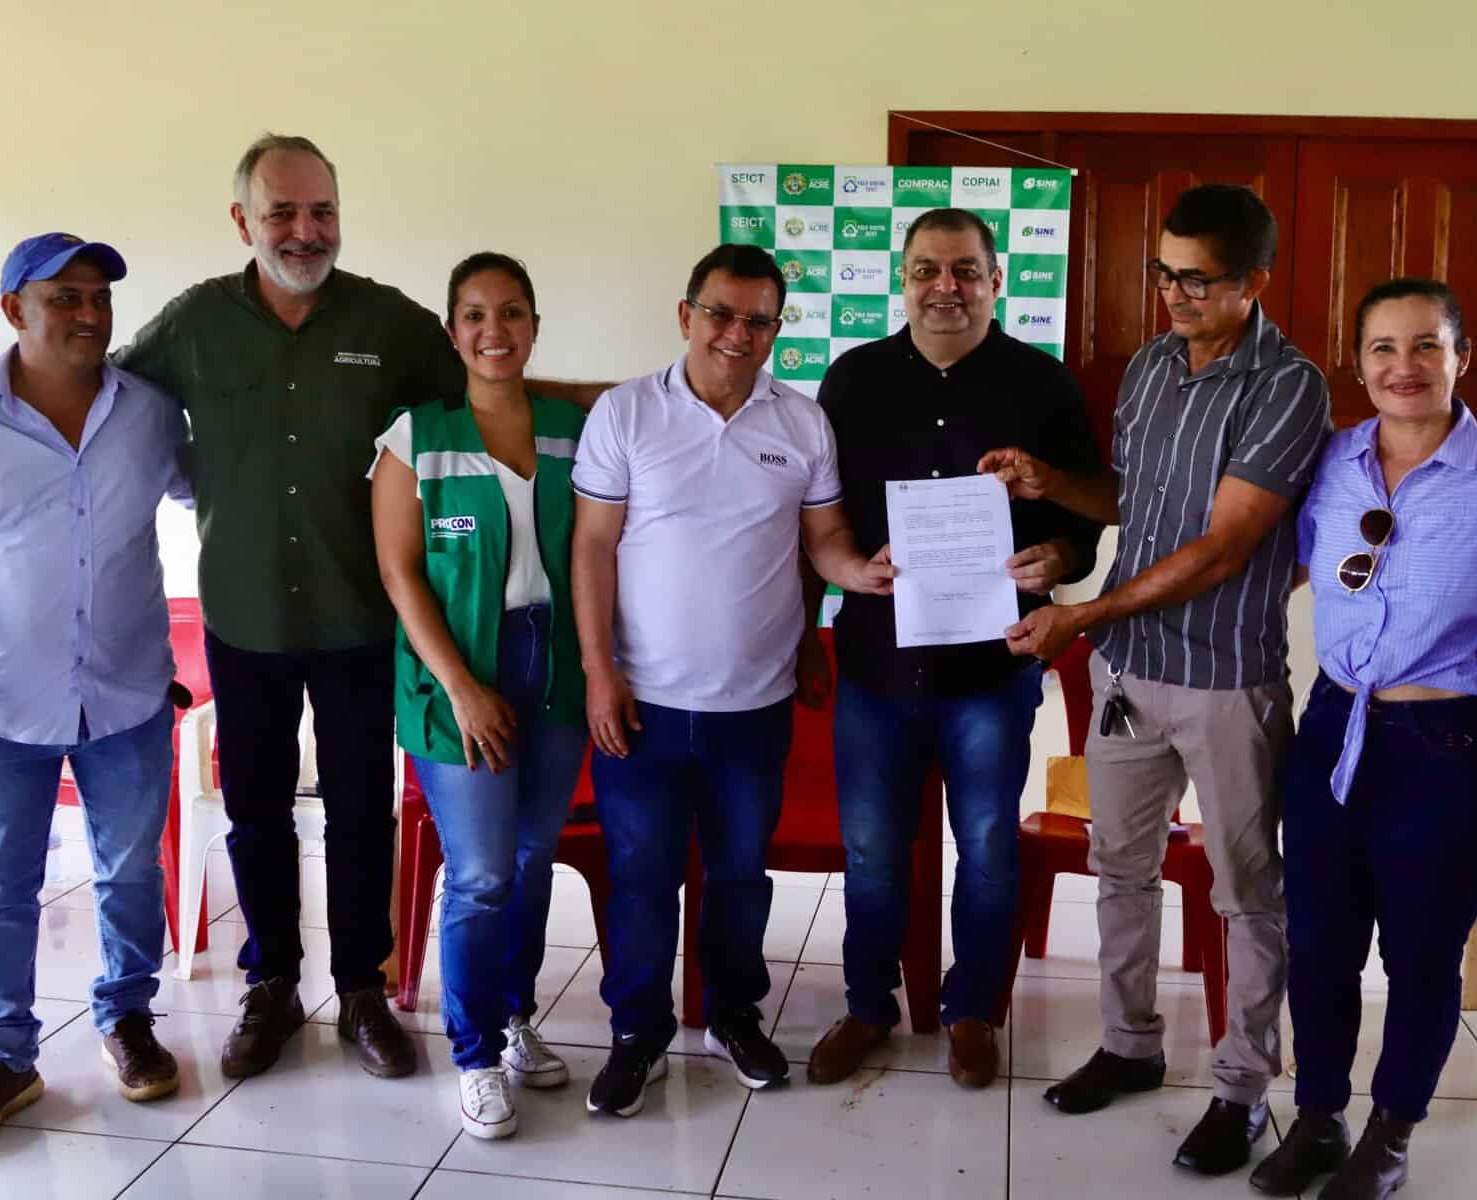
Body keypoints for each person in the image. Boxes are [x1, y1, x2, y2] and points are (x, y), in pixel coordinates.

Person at [111, 133, 606, 1081]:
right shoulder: (193, 324)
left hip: (356, 618)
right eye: (283, 213)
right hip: (244, 615)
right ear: (242, 221)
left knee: (359, 813)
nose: (306, 231)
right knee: (255, 812)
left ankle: (364, 990)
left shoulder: (389, 322)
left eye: (322, 211)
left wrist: (638, 398)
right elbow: (108, 394)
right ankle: (272, 984)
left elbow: (490, 382)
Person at [983, 183, 1331, 1174]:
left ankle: (1240, 1087)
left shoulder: (1285, 385)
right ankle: (1130, 1046)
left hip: (1225, 678)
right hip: (1132, 675)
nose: (1174, 293)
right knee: (1118, 870)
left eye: (1198, 279)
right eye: (1164, 272)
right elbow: (1134, 504)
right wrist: (1051, 487)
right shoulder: (1147, 366)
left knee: (1244, 891)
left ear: (1254, 280)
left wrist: (1081, 617)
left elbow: (1223, 547)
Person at [571, 243, 893, 1117]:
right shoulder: (626, 413)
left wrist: (860, 572)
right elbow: (593, 546)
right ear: (685, 316)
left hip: (756, 701)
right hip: (641, 700)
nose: (737, 333)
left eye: (758, 320)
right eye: (720, 313)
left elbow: (821, 540)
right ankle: (637, 1032)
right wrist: (600, 674)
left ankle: (734, 1016)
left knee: (742, 873)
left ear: (777, 331)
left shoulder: (801, 423)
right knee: (641, 875)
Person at [1247, 279, 1477, 1198]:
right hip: (1334, 728)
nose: (1402, 367)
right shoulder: (1329, 462)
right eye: (1382, 348)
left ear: (1462, 357)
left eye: (1424, 346)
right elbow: (1275, 565)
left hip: (1449, 746)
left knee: (1420, 953)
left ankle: (1393, 1130)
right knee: (1320, 943)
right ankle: (1322, 1117)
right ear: (1358, 361)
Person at [802, 207, 1104, 1091]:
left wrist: (1062, 558)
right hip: (878, 662)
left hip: (991, 666)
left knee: (987, 845)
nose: (947, 287)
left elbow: (1081, 516)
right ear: (902, 279)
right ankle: (867, 1006)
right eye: (928, 269)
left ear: (997, 279)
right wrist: (856, 567)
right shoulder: (852, 380)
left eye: (966, 269)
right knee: (871, 850)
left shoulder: (1043, 384)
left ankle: (974, 1011)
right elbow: (826, 517)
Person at [0, 234, 190, 1156]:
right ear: (14, 310)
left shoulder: (148, 413)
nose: (89, 314)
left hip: (127, 693)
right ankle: (3, 1054)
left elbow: (210, 490)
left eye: (99, 297)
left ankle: (127, 1016)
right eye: (65, 298)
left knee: (131, 870)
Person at [370, 253, 587, 1140]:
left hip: (558, 668)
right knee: (484, 873)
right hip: (457, 670)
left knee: (533, 857)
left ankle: (512, 1019)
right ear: (452, 329)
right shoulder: (416, 436)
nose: (493, 330)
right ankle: (471, 1054)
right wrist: (462, 686)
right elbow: (400, 570)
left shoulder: (576, 430)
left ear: (535, 325)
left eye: (511, 313)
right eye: (473, 314)